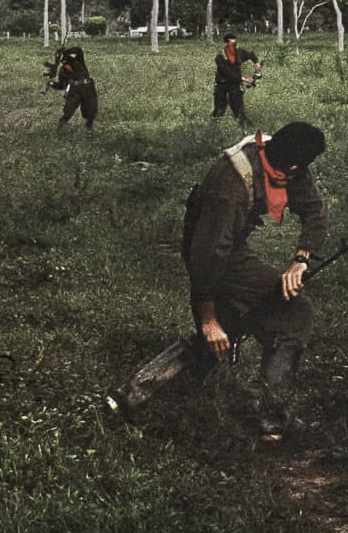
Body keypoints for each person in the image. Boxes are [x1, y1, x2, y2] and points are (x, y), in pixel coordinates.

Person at [108, 122, 331, 442]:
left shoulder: (284, 159)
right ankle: (271, 418)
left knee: (234, 321)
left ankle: (132, 396)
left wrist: (300, 260)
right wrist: (208, 319)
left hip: (229, 247)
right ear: (294, 166)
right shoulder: (232, 184)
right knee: (292, 314)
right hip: (207, 248)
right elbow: (206, 257)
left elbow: (315, 210)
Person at [46, 44, 99, 131]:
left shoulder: (78, 60)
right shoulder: (62, 70)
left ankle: (89, 129)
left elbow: (78, 50)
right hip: (75, 90)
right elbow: (62, 85)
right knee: (68, 111)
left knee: (90, 112)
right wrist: (51, 83)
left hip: (88, 87)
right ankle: (59, 130)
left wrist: (65, 52)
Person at [211, 34, 256, 133]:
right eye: (231, 44)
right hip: (222, 85)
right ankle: (213, 131)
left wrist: (256, 63)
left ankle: (246, 130)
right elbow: (228, 73)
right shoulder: (220, 57)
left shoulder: (239, 51)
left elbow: (250, 55)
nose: (234, 46)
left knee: (238, 108)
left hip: (235, 85)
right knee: (219, 109)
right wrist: (244, 79)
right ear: (225, 44)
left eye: (235, 43)